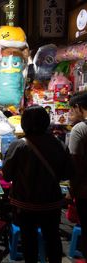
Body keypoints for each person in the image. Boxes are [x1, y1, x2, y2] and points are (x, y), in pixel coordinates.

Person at [2, 105, 74, 263]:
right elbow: (67, 173)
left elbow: (7, 176)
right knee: (53, 238)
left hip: (25, 204)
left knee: (29, 241)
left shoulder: (19, 145)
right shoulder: (58, 144)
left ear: (24, 123)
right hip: (51, 203)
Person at [68, 91, 87, 260]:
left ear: (78, 108)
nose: (69, 115)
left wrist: (72, 189)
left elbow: (75, 165)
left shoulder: (80, 129)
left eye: (71, 110)